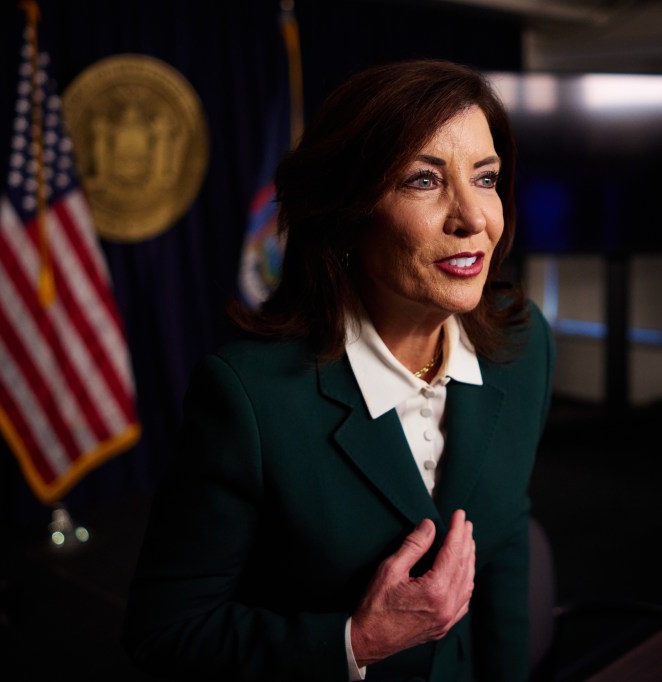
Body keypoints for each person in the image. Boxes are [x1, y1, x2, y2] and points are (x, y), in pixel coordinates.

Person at [122, 58, 556, 682]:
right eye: (423, 180)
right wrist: (359, 640)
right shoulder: (249, 397)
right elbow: (164, 634)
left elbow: (504, 538)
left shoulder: (522, 343)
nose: (473, 219)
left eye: (485, 178)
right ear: (347, 211)